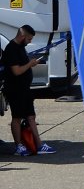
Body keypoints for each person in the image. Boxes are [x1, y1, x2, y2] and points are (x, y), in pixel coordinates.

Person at [5, 25, 54, 155]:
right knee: (17, 117)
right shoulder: (11, 49)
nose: (30, 41)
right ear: (22, 36)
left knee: (31, 116)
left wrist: (31, 63)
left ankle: (39, 144)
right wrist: (30, 64)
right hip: (14, 89)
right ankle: (18, 146)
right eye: (29, 39)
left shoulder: (21, 48)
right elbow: (16, 71)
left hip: (25, 89)